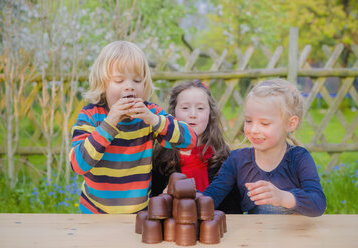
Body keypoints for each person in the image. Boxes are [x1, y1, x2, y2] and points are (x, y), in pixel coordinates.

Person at [70, 41, 197, 214]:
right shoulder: (91, 116)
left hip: (138, 214)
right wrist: (109, 124)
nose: (129, 86)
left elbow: (190, 140)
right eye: (119, 80)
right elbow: (78, 165)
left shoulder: (150, 114)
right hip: (95, 213)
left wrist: (154, 120)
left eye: (137, 80)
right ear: (103, 84)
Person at [203, 79, 326, 216]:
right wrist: (192, 201)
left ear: (291, 124)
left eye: (265, 123)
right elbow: (213, 195)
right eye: (249, 121)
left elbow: (318, 203)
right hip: (256, 233)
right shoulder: (237, 160)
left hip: (295, 234)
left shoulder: (298, 158)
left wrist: (283, 198)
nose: (254, 129)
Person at [152, 79, 242, 214]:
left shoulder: (223, 158)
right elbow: (154, 206)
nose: (192, 114)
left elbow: (233, 209)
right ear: (173, 113)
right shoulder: (161, 159)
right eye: (185, 108)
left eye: (200, 108)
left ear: (210, 114)